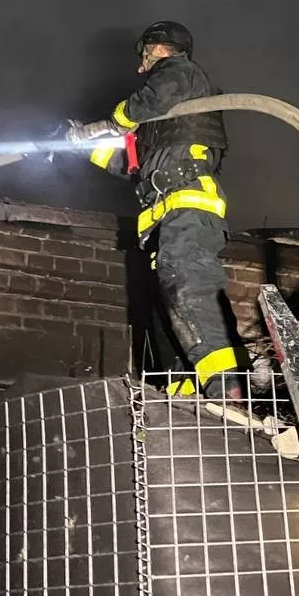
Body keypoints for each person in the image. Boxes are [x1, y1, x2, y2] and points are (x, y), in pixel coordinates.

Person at [65, 21, 246, 399]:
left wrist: (109, 123)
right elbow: (131, 166)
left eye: (145, 57)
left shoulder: (181, 74)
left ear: (161, 49)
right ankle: (184, 396)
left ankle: (224, 385)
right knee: (165, 307)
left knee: (186, 284)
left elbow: (145, 102)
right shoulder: (162, 125)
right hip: (161, 218)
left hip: (188, 205)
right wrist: (79, 145)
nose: (140, 66)